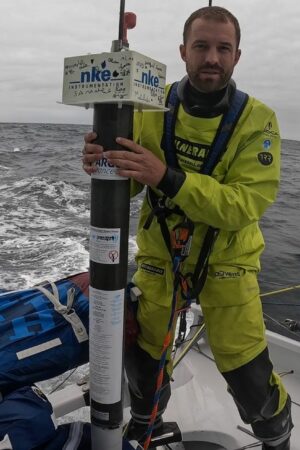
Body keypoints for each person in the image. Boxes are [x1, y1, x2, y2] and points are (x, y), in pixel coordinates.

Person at [82, 6, 293, 450]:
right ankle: (144, 421)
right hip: (162, 258)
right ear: (183, 51)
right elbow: (132, 188)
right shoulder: (149, 109)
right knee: (142, 361)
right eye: (201, 46)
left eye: (223, 48)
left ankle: (276, 437)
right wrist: (104, 165)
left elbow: (244, 205)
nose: (211, 57)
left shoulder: (260, 121)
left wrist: (167, 177)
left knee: (248, 374)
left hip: (228, 263)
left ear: (238, 56)